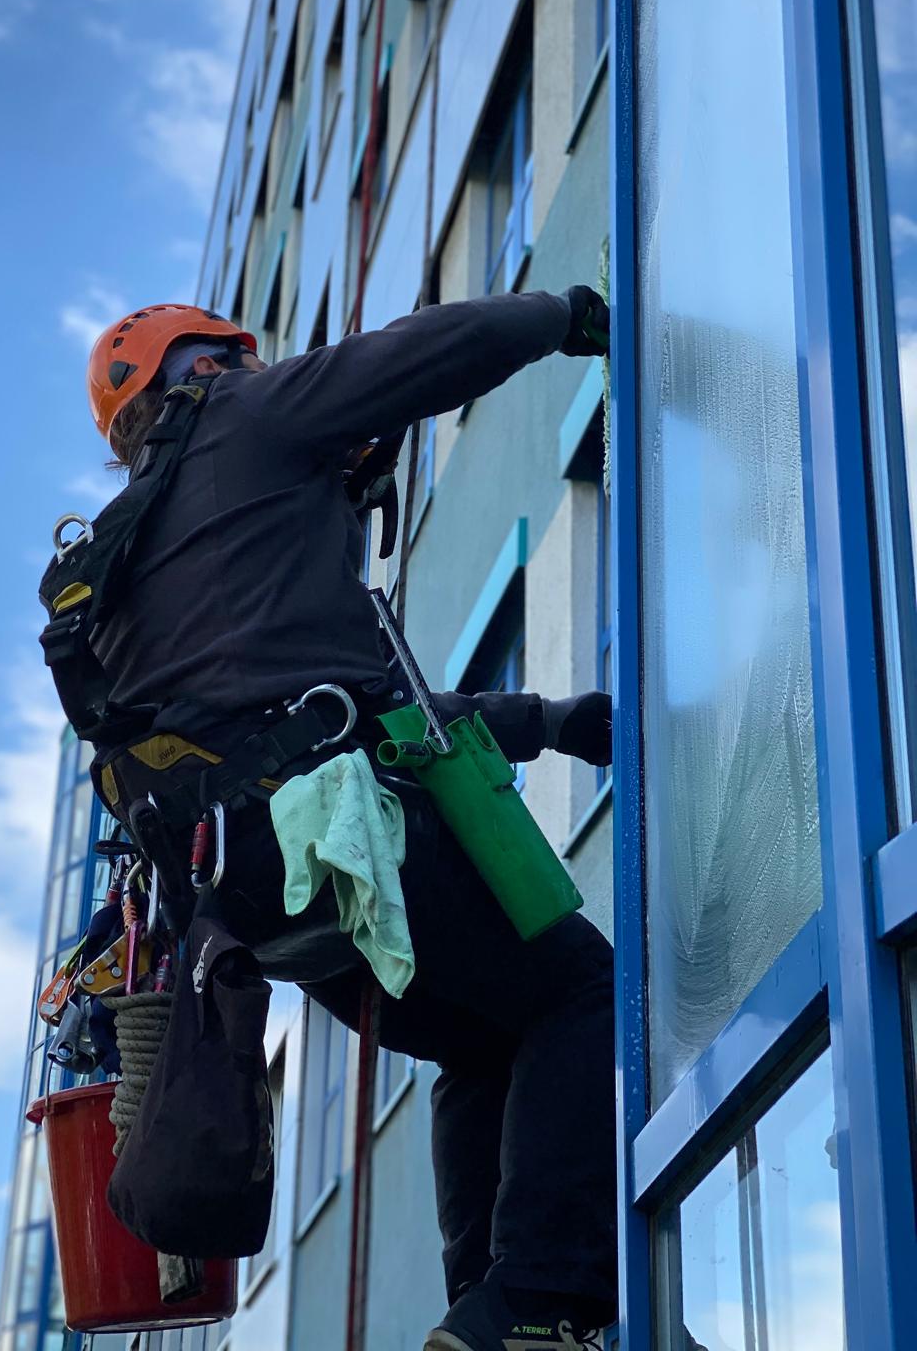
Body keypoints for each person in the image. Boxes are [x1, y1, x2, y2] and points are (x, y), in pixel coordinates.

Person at [76, 292, 616, 1351]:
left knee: (487, 1036)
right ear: (211, 363)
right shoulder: (246, 418)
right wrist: (566, 317)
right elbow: (430, 352)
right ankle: (541, 1302)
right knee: (581, 992)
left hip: (251, 897)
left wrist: (547, 722)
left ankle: (493, 1315)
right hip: (336, 832)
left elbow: (338, 712)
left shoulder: (121, 563)